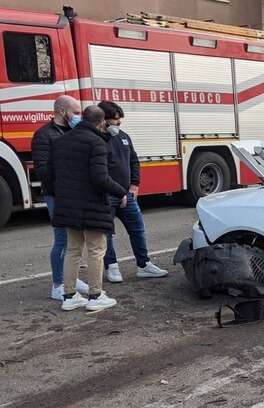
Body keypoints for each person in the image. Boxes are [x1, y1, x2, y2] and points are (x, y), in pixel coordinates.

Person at [45, 105, 127, 311]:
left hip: (67, 205)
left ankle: (69, 296)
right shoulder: (97, 143)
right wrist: (120, 192)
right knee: (96, 250)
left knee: (72, 250)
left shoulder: (60, 142)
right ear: (101, 123)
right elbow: (100, 178)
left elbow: (49, 175)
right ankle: (95, 296)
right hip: (91, 206)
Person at [97, 101, 168, 283]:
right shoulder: (96, 140)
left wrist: (134, 184)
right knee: (106, 233)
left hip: (126, 195)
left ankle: (144, 265)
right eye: (115, 123)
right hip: (106, 195)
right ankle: (111, 267)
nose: (118, 126)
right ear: (103, 121)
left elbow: (134, 162)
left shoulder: (124, 137)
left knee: (137, 228)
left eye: (120, 122)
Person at [31, 95, 89, 301]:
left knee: (76, 240)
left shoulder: (76, 132)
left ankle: (70, 278)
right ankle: (58, 284)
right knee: (62, 239)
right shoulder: (44, 135)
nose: (78, 117)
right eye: (75, 112)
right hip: (57, 195)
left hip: (76, 194)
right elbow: (43, 170)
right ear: (62, 111)